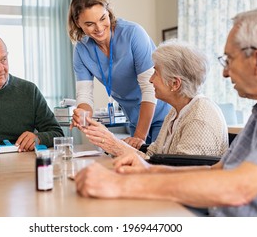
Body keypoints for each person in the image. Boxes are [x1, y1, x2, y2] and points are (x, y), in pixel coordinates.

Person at [75, 7, 257, 216]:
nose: (225, 73)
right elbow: (217, 172)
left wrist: (119, 184)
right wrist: (147, 171)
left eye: (229, 60)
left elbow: (238, 188)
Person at [80, 40, 228, 158]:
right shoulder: (175, 113)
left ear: (175, 83)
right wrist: (115, 145)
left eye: (155, 73)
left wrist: (115, 145)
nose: (151, 80)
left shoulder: (198, 119)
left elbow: (178, 175)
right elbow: (153, 156)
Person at [67, 0, 170, 147]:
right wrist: (82, 113)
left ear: (108, 12)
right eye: (89, 24)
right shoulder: (81, 50)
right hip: (135, 118)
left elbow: (149, 89)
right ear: (78, 24)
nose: (99, 28)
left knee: (158, 166)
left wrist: (139, 137)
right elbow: (85, 95)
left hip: (164, 114)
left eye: (102, 18)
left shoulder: (133, 34)